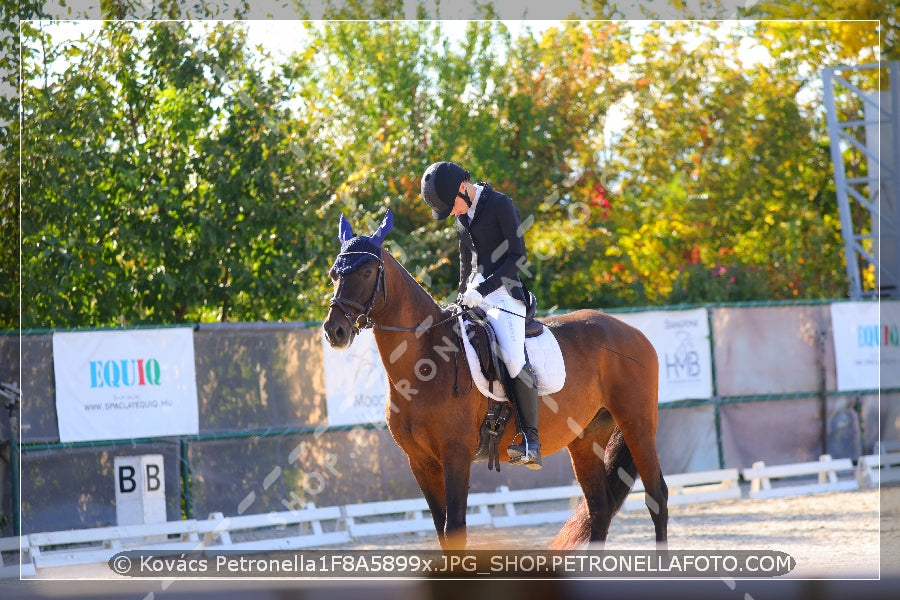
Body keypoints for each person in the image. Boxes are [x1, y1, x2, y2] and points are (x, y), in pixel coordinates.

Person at [420, 161, 541, 469]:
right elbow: (465, 263)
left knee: (513, 358)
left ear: (463, 187)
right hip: (474, 293)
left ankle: (531, 439)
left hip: (505, 293)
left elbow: (518, 256)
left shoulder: (500, 204)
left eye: (453, 206)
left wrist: (484, 289)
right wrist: (462, 294)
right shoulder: (461, 216)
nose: (453, 213)